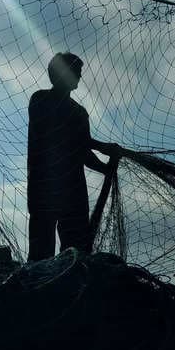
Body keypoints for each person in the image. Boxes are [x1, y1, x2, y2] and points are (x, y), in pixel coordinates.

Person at [27, 52, 119, 261]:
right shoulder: (40, 100)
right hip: (45, 189)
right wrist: (101, 146)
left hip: (73, 191)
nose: (79, 76)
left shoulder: (79, 112)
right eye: (76, 72)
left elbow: (83, 153)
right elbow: (63, 135)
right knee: (41, 252)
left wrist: (106, 167)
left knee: (75, 252)